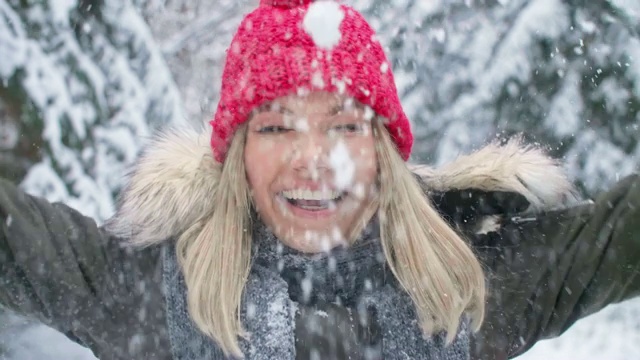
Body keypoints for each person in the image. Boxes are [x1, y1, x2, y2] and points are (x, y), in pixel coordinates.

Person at [0, 0, 638, 359]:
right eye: (275, 128)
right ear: (236, 157)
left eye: (344, 126)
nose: (312, 159)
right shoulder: (149, 288)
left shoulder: (472, 277)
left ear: (382, 150)